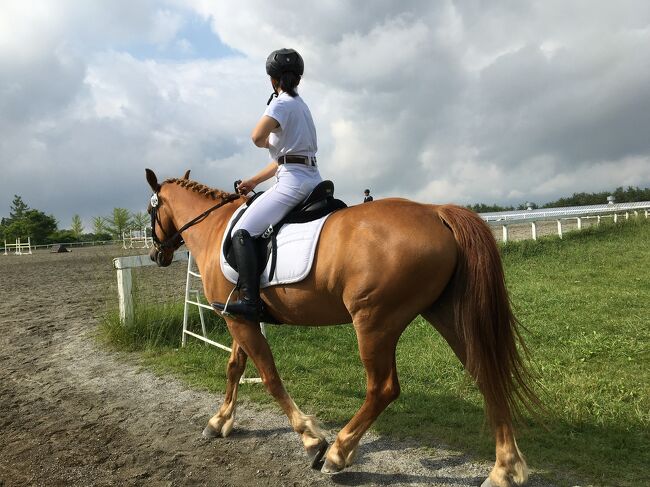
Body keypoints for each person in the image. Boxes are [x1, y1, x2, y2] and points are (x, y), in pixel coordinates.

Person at [222, 48, 322, 321]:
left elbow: (256, 136)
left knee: (242, 231)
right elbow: (285, 158)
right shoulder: (303, 106)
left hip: (292, 181)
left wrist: (266, 140)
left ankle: (251, 302)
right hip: (311, 178)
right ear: (298, 79)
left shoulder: (280, 103)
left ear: (272, 80)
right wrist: (253, 181)